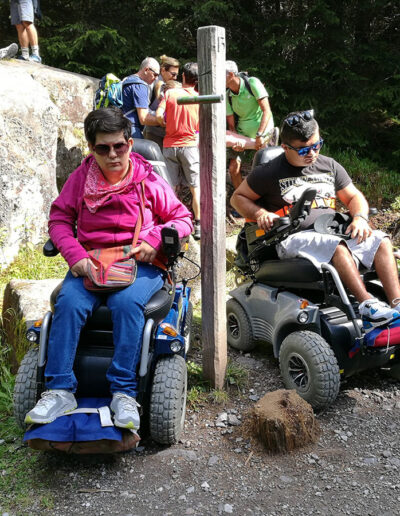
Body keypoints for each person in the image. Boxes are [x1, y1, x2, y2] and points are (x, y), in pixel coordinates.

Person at [24, 107, 193, 429]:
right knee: (69, 303)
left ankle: (124, 393)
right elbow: (59, 220)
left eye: (120, 146)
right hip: (91, 262)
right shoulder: (80, 179)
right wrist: (75, 256)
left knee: (127, 303)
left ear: (130, 143)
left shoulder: (148, 180)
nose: (113, 154)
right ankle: (59, 390)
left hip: (138, 262)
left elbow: (181, 218)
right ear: (92, 148)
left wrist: (155, 240)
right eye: (103, 148)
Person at [231, 110, 400, 331]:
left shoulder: (328, 165)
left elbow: (354, 196)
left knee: (381, 240)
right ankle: (367, 305)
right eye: (303, 149)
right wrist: (260, 213)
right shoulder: (269, 172)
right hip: (290, 238)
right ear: (285, 147)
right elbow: (238, 198)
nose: (312, 153)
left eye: (316, 145)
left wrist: (359, 217)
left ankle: (396, 304)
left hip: (331, 231)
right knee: (336, 248)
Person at [156, 62, 201, 240]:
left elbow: (159, 115)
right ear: (197, 81)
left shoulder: (170, 93)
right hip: (189, 146)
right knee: (195, 187)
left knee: (171, 187)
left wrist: (165, 123)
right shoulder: (198, 98)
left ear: (183, 76)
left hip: (169, 146)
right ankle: (198, 225)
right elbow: (199, 126)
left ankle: (173, 222)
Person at [226, 60, 276, 190]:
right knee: (233, 168)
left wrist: (260, 134)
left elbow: (267, 110)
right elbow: (231, 125)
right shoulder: (227, 95)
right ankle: (242, 200)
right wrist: (236, 143)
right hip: (243, 134)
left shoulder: (252, 82)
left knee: (262, 170)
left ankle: (264, 201)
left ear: (231, 74)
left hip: (263, 132)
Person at [144, 55, 180, 150]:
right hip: (153, 133)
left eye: (177, 75)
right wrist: (162, 118)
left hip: (168, 133)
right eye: (173, 74)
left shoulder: (173, 85)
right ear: (163, 70)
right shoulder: (151, 83)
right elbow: (144, 110)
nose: (175, 78)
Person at [121, 57, 161, 139]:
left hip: (119, 128)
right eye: (155, 74)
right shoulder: (140, 86)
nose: (156, 78)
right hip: (131, 130)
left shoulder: (127, 79)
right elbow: (144, 118)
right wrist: (164, 121)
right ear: (146, 70)